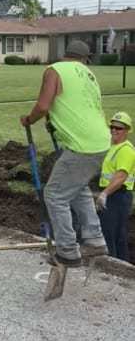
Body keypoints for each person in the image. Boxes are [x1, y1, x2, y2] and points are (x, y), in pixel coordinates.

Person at [20, 39, 110, 267]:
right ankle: (95, 239)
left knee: (55, 195)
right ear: (85, 58)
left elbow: (43, 106)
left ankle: (67, 250)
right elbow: (75, 106)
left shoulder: (55, 70)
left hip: (82, 145)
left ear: (65, 55)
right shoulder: (89, 75)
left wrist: (29, 120)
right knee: (78, 187)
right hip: (101, 141)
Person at [96, 111, 135, 261]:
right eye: (112, 127)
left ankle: (112, 265)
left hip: (118, 196)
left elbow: (121, 177)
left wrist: (104, 194)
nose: (114, 130)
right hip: (115, 195)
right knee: (116, 234)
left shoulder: (125, 150)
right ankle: (120, 266)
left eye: (118, 128)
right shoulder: (114, 147)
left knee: (109, 233)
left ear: (127, 131)